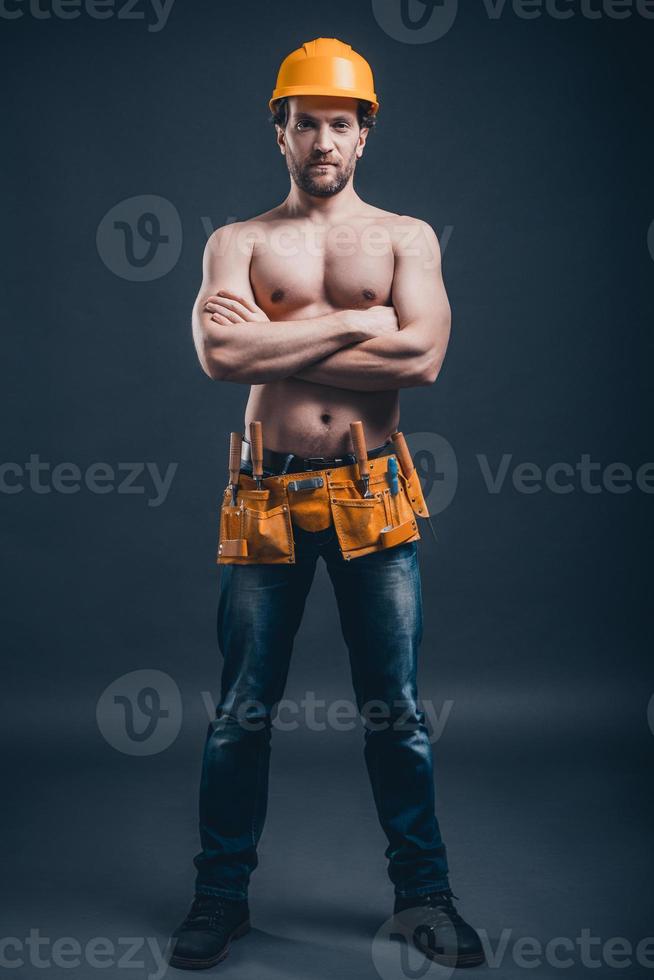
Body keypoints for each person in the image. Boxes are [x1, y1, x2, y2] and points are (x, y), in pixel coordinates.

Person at [168, 37, 485, 971]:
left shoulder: (406, 238)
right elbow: (217, 359)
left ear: (364, 132)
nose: (322, 139)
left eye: (339, 123)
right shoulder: (238, 240)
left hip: (372, 491)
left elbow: (422, 358)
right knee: (240, 713)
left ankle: (423, 897)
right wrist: (358, 322)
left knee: (395, 709)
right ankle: (220, 897)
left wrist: (278, 336)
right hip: (264, 495)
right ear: (281, 131)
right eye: (304, 122)